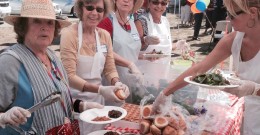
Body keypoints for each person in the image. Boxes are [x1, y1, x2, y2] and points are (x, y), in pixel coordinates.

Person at [153, 0, 260, 133]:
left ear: (253, 13)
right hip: (246, 114)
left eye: (232, 14)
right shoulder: (233, 40)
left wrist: (255, 90)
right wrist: (165, 93)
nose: (227, 18)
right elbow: (199, 69)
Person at [0, 0, 104, 134]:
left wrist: (81, 106)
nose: (45, 27)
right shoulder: (10, 62)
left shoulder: (53, 57)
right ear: (23, 26)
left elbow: (57, 99)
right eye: (37, 21)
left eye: (50, 22)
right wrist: (3, 117)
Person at [60, 0, 130, 134]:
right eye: (90, 8)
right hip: (76, 104)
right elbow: (69, 76)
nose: (94, 13)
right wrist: (101, 89)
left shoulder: (104, 35)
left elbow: (109, 69)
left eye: (99, 10)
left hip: (98, 107)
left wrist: (117, 83)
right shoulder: (69, 34)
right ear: (81, 9)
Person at [98, 0, 144, 98]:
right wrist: (129, 64)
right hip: (113, 81)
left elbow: (130, 51)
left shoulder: (131, 23)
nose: (126, 0)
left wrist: (146, 56)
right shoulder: (106, 21)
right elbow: (104, 51)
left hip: (133, 81)